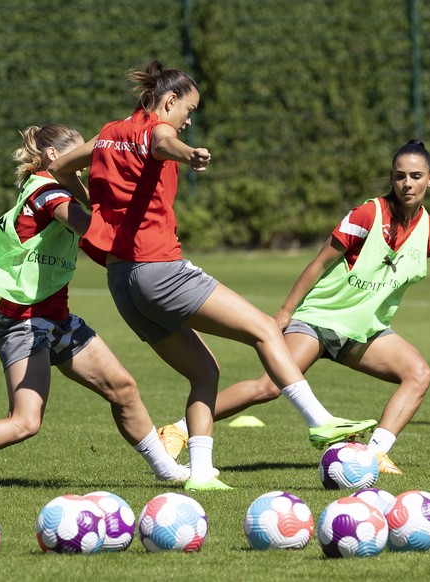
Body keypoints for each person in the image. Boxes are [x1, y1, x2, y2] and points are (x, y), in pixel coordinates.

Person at [48, 61, 375, 491]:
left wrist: (94, 210)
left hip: (123, 283)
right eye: (189, 109)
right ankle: (320, 421)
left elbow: (59, 169)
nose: (189, 120)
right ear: (168, 101)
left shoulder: (108, 132)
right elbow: (164, 141)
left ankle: (201, 476)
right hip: (160, 270)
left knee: (205, 372)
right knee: (265, 329)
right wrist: (190, 155)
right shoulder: (156, 131)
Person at [158, 139, 430, 474]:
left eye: (415, 176)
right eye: (399, 175)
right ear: (392, 178)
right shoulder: (367, 214)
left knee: (419, 373)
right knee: (268, 387)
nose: (406, 183)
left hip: (364, 332)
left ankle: (374, 454)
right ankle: (176, 429)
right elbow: (319, 263)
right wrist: (285, 313)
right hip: (318, 320)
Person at [0, 124, 190, 493]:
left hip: (56, 319)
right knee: (25, 422)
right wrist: (145, 226)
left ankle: (165, 469)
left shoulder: (42, 188)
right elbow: (91, 230)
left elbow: (21, 246)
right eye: (79, 153)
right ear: (55, 157)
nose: (85, 162)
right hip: (22, 323)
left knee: (123, 388)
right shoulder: (49, 194)